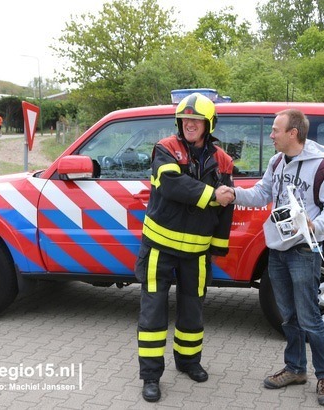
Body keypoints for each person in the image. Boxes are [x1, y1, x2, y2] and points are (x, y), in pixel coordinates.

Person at [225, 109, 324, 406]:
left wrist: (315, 225)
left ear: (294, 133)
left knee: (309, 317)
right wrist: (234, 194)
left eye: (276, 130)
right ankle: (295, 369)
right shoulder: (277, 162)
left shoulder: (322, 166)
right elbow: (263, 193)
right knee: (288, 316)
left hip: (304, 251)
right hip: (277, 250)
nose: (271, 135)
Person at [135, 92, 235, 403]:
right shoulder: (165, 148)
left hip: (197, 251)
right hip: (159, 248)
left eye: (196, 119)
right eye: (185, 119)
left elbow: (227, 205)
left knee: (193, 308)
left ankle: (189, 361)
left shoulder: (223, 160)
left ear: (209, 124)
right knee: (153, 313)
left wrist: (218, 245)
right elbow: (173, 185)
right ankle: (151, 376)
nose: (190, 124)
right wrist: (211, 195)